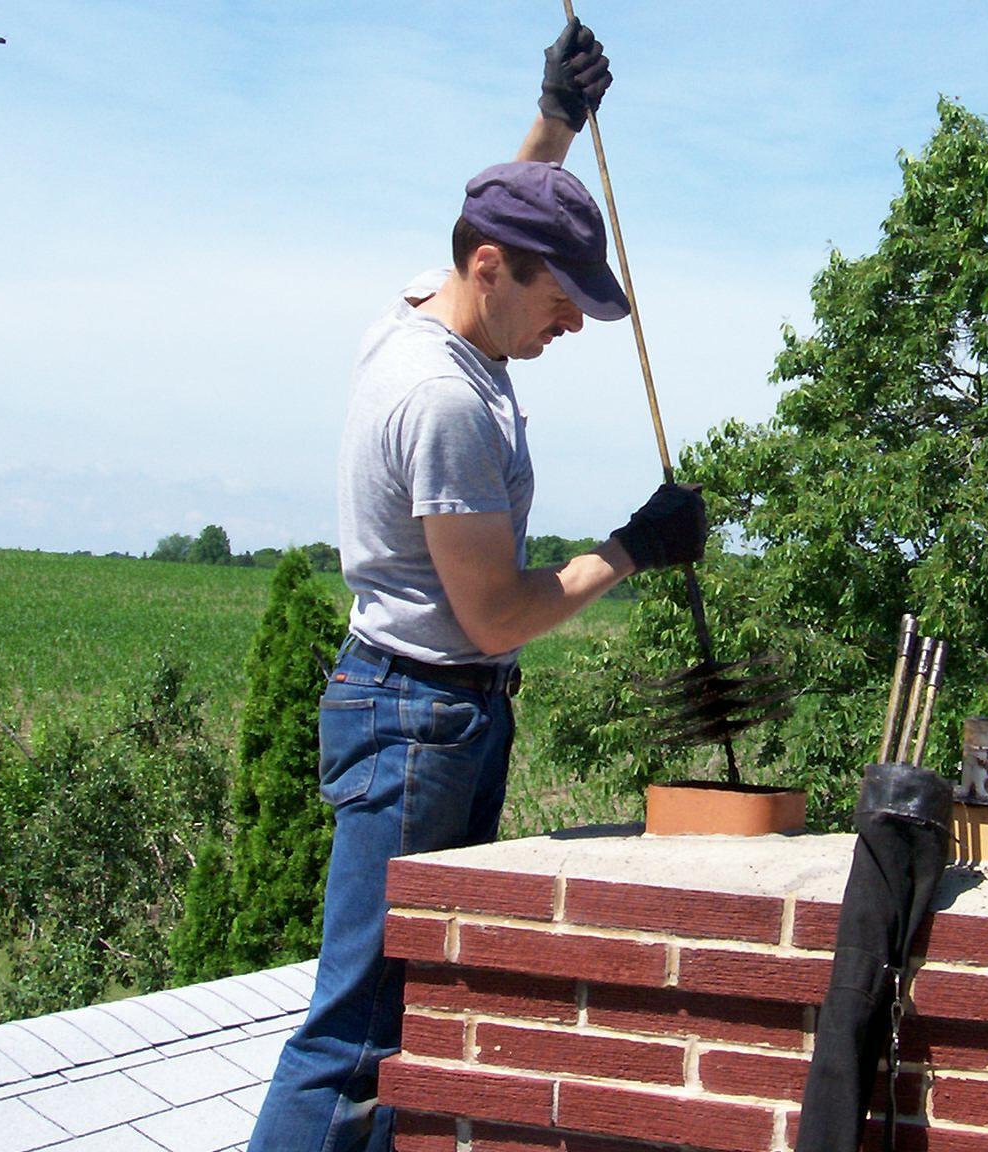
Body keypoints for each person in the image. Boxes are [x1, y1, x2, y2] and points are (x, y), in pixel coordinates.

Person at [247, 19, 706, 1152]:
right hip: (418, 723)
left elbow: (499, 212)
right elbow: (495, 614)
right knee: (360, 1029)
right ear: (493, 273)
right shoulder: (443, 400)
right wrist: (632, 548)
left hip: (428, 711)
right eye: (565, 299)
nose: (574, 321)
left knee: (408, 1010)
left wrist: (556, 119)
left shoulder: (429, 305)